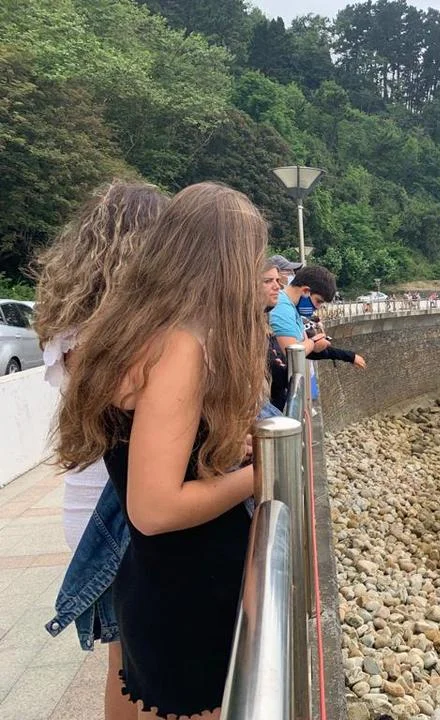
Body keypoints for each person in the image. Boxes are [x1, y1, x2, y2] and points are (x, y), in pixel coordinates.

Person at [55, 182, 268, 719]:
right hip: (189, 591)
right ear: (228, 262)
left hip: (159, 583)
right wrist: (257, 475)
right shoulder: (179, 347)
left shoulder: (128, 331)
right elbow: (153, 509)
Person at [32, 181, 169, 720]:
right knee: (150, 661)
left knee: (126, 658)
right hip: (118, 511)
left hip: (88, 502)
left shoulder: (68, 326)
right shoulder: (116, 335)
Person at [265, 263, 365, 410]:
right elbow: (293, 352)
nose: (317, 307)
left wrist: (347, 356)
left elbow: (304, 347)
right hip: (273, 400)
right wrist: (312, 343)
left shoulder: (292, 309)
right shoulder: (282, 308)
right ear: (306, 291)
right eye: (318, 301)